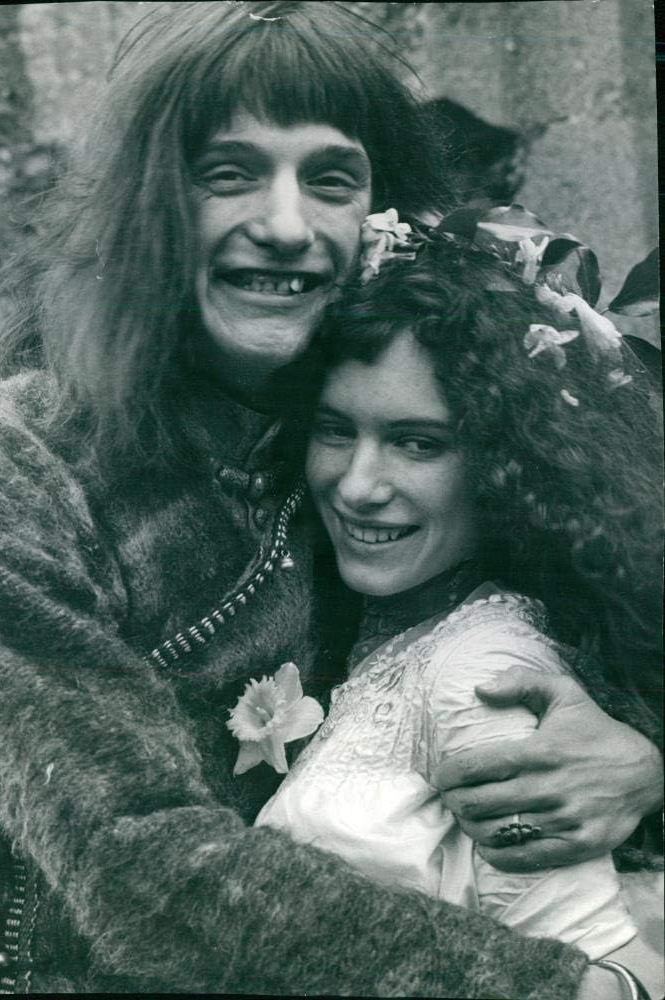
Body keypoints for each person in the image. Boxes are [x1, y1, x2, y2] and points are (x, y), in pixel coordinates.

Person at [0, 2, 661, 996]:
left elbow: (582, 583)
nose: (285, 227)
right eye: (227, 172)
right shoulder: (5, 469)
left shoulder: (357, 438)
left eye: (330, 178)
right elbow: (140, 868)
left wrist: (640, 756)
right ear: (142, 201)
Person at [256, 226, 664, 998]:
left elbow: (608, 979)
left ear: (507, 469)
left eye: (417, 443)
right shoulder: (369, 630)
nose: (356, 484)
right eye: (335, 430)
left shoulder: (484, 675)